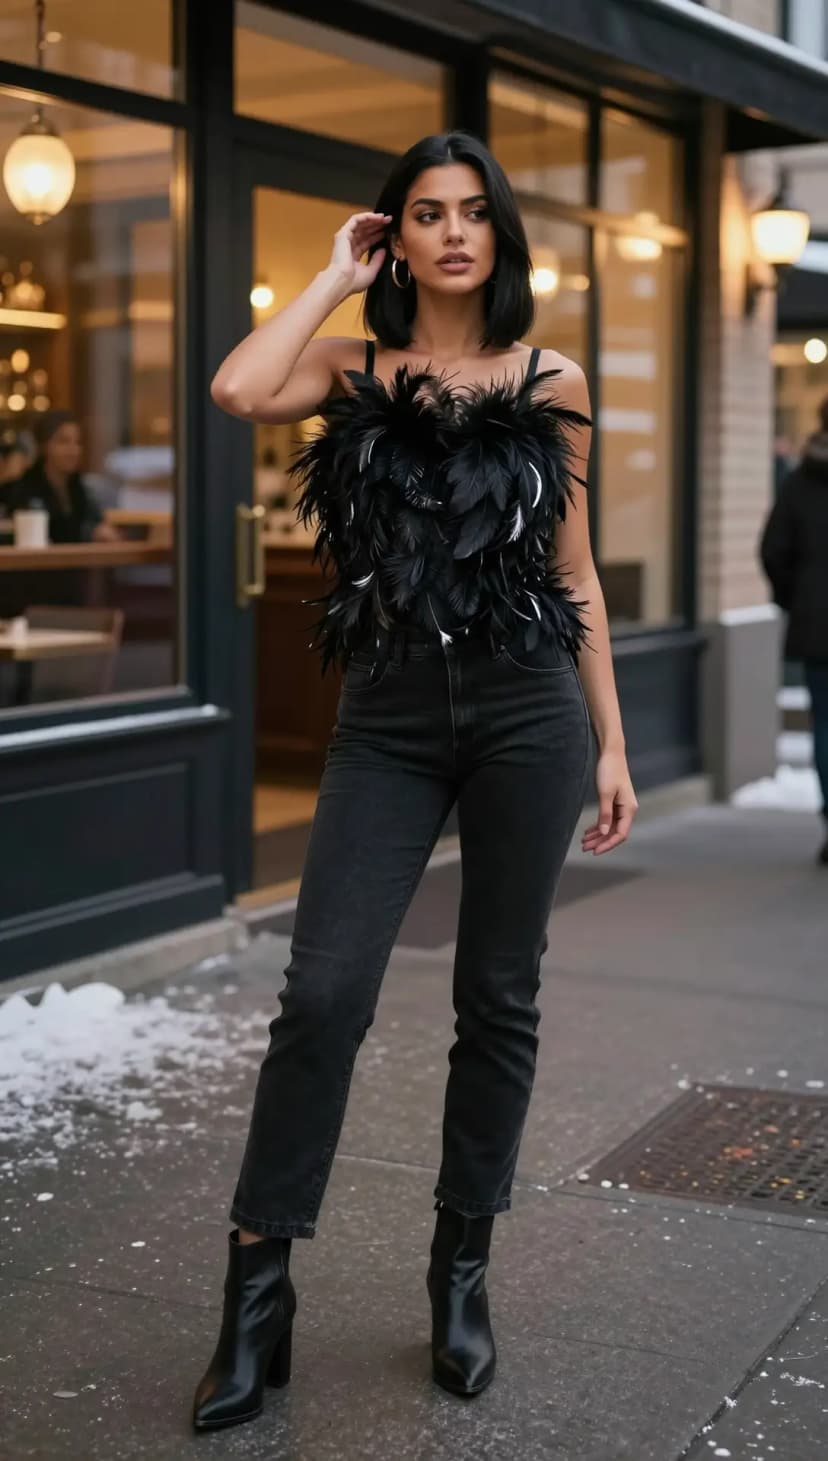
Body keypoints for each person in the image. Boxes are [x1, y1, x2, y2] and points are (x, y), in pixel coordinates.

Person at [194, 130, 638, 1433]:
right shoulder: (351, 366)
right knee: (322, 993)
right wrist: (334, 277)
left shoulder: (550, 378)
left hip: (527, 709)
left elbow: (577, 573)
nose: (453, 232)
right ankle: (256, 1291)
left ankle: (460, 1274)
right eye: (425, 214)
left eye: (472, 211)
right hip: (385, 713)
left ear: (500, 234)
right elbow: (236, 388)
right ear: (399, 234)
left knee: (497, 998)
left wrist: (610, 740)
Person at [760, 394, 828, 866]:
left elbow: (773, 551)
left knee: (825, 726)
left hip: (817, 625)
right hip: (816, 623)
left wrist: (798, 599)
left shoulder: (803, 480)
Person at [5, 410, 119, 544]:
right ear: (44, 445)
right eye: (63, 442)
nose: (73, 450)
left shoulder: (83, 490)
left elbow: (97, 525)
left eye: (78, 442)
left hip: (81, 563)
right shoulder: (21, 490)